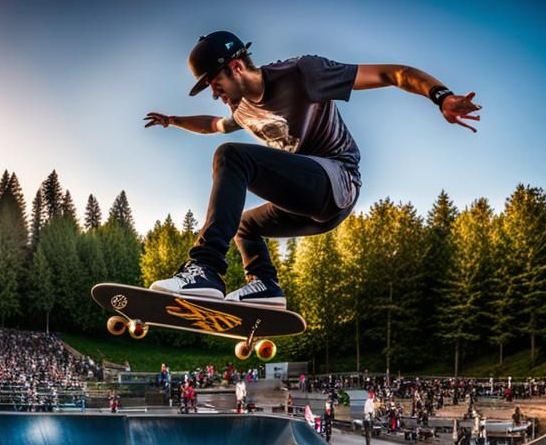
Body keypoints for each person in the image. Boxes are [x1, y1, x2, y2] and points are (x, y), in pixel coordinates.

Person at [145, 30, 480, 306]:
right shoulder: (242, 110)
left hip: (337, 180)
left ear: (235, 67)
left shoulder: (303, 73)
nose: (214, 94)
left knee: (231, 156)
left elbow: (392, 74)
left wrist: (442, 96)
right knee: (244, 226)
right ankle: (265, 285)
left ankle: (205, 266)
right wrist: (174, 121)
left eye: (214, 83)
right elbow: (214, 125)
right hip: (310, 206)